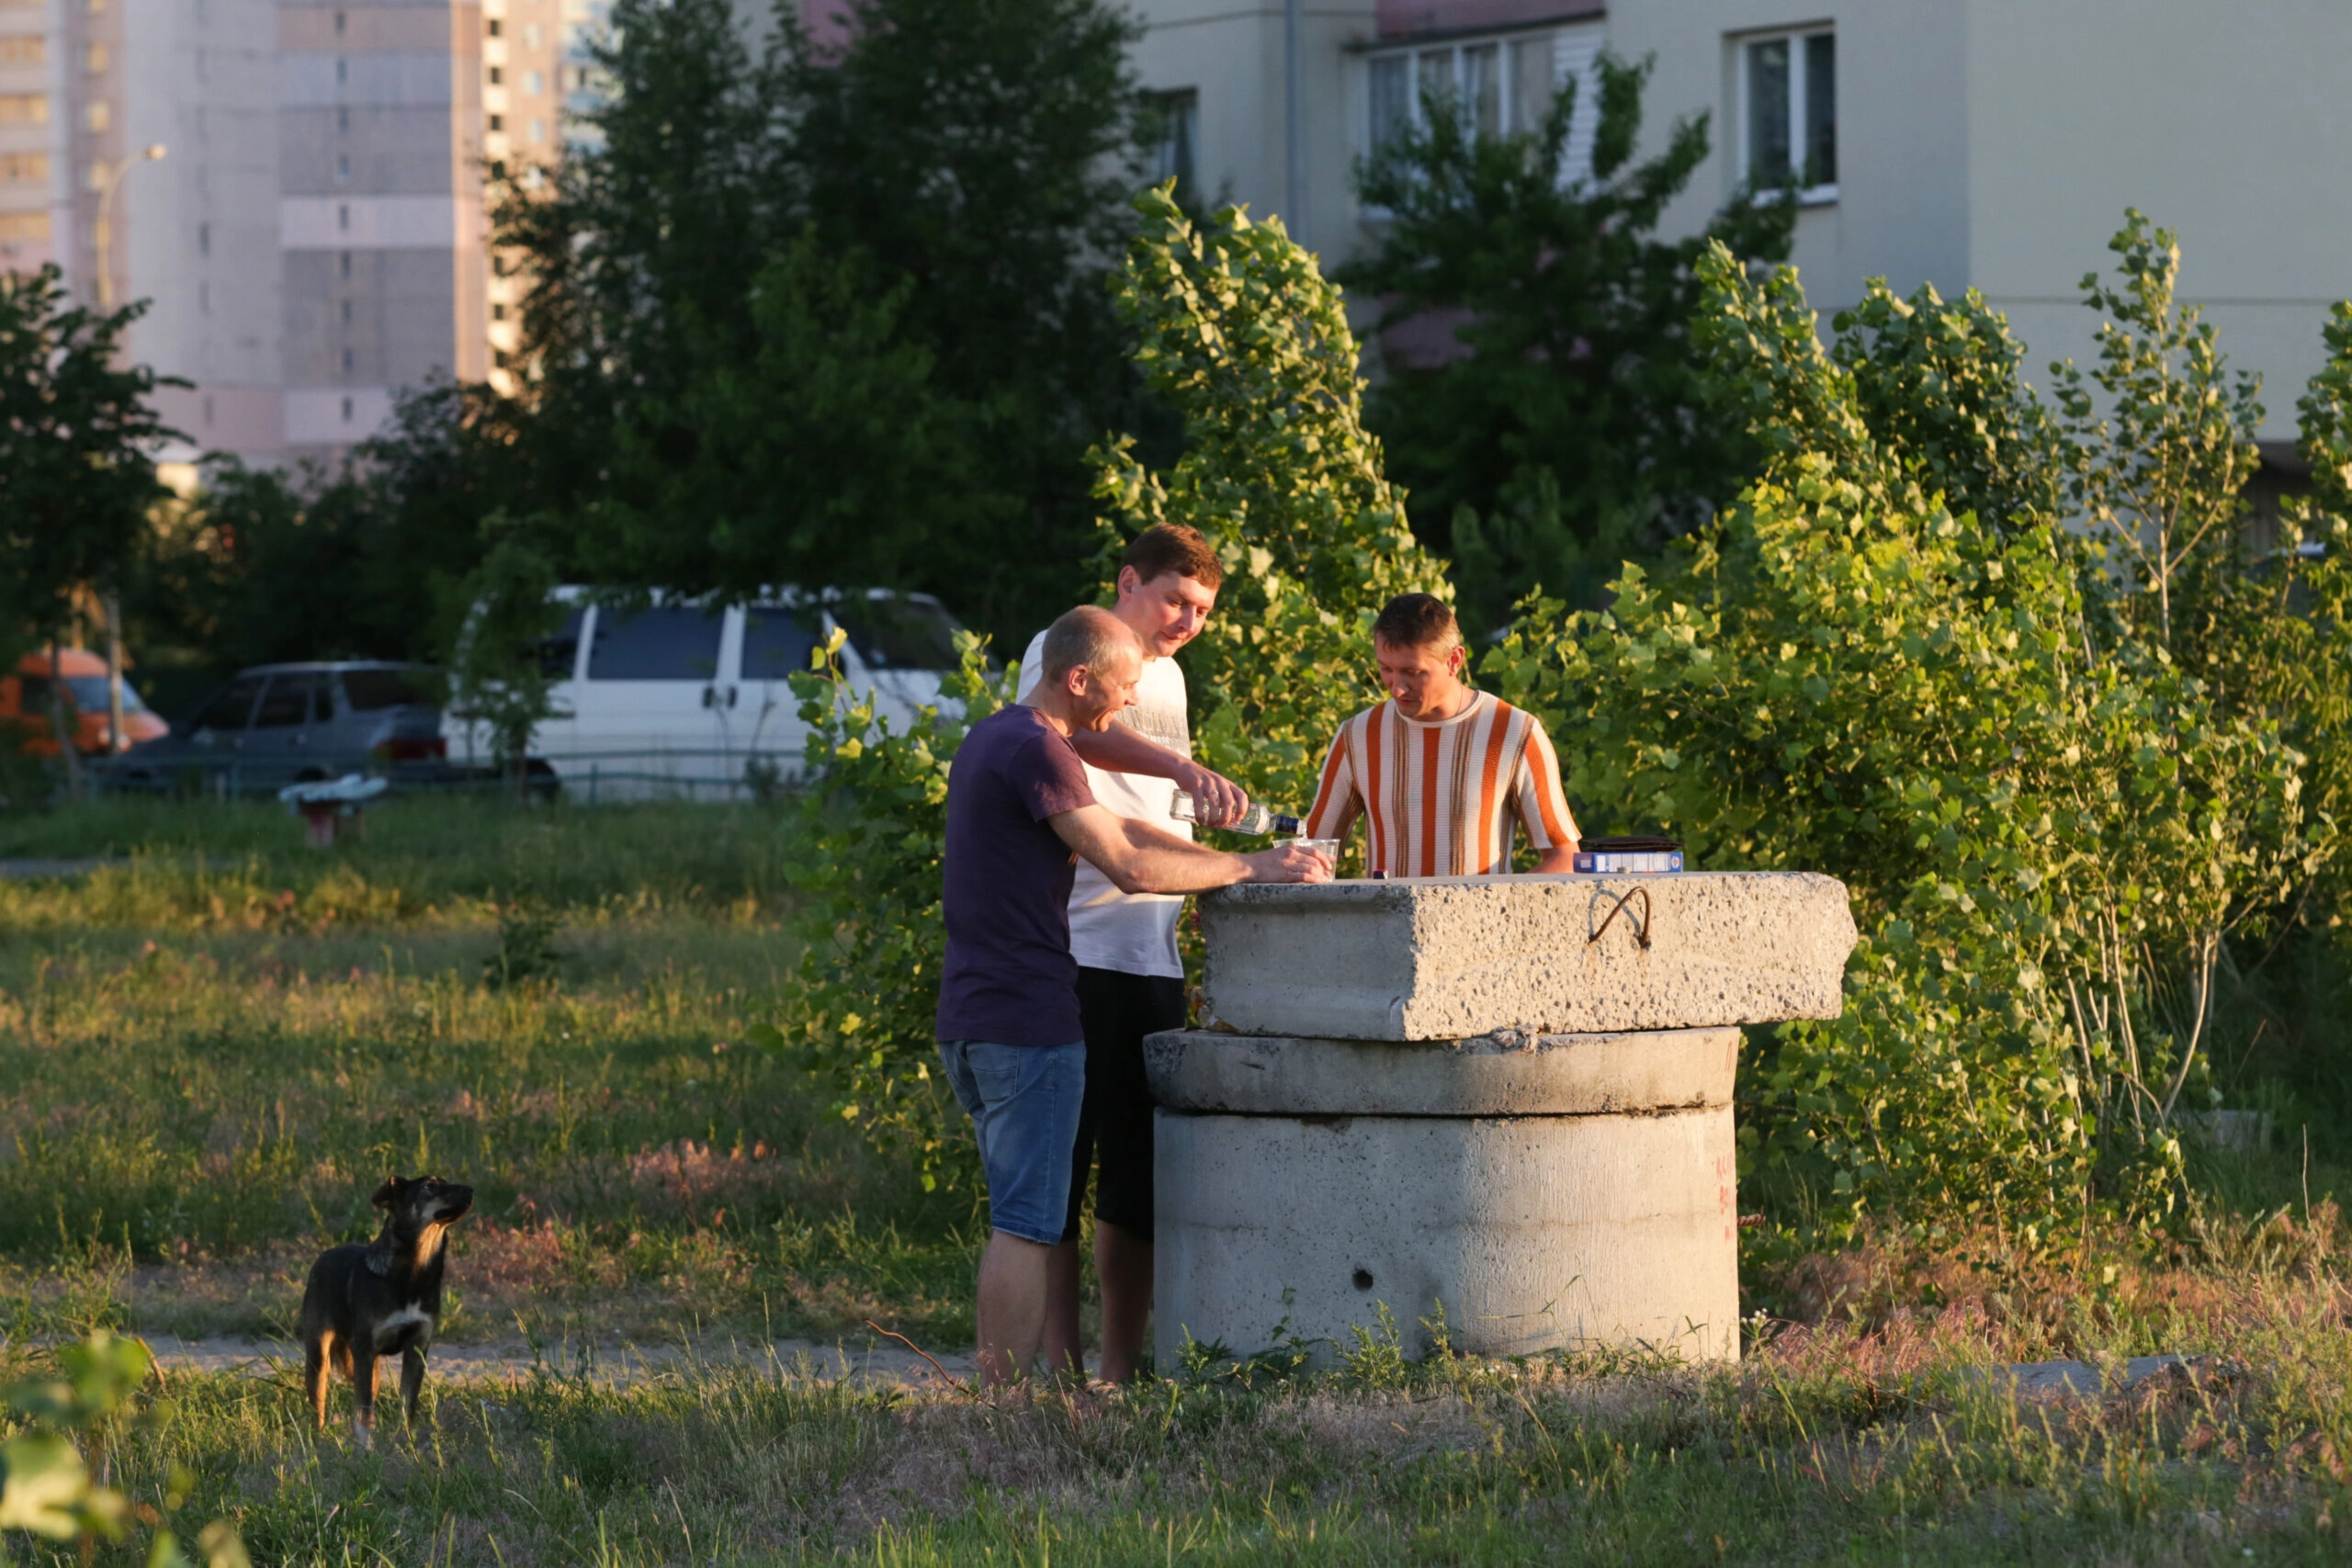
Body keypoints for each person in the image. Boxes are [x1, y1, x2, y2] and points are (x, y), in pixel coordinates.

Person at [937, 604, 1329, 1388]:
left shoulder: (994, 737)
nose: (1124, 711)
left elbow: (1125, 836)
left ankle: (1016, 1402)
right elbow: (1130, 865)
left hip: (973, 1014)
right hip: (1029, 1018)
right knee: (1027, 1226)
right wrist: (1250, 870)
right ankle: (1005, 1411)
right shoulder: (1042, 751)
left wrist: (1243, 854)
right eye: (1119, 694)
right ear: (1076, 679)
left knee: (1026, 1215)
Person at [1012, 524, 1246, 1385]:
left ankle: (1120, 1374)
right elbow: (1068, 738)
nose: (1188, 620)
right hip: (1077, 945)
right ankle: (1062, 1376)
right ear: (1127, 582)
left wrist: (1211, 826)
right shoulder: (1065, 642)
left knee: (1136, 1180)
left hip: (1151, 951)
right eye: (1175, 600)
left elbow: (1158, 791)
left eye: (1203, 610)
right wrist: (1184, 773)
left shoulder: (1172, 675)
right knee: (1059, 1182)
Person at [1302, 592, 1581, 877]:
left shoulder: (1514, 731)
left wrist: (1497, 909)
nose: (1396, 688)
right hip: (1386, 922)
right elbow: (1311, 852)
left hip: (1481, 922)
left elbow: (1565, 858)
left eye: (1413, 672)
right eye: (1386, 669)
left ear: (1454, 660)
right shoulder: (1357, 735)